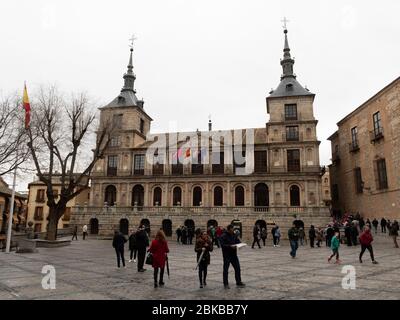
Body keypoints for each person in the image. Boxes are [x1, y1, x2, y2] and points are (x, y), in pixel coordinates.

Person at [219, 224, 245, 289]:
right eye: (232, 228)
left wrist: (241, 244)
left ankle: (238, 282)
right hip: (226, 255)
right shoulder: (223, 236)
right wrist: (230, 246)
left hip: (234, 255)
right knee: (226, 270)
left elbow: (238, 242)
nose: (233, 230)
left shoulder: (234, 235)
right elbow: (222, 245)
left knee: (238, 268)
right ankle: (226, 284)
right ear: (229, 229)